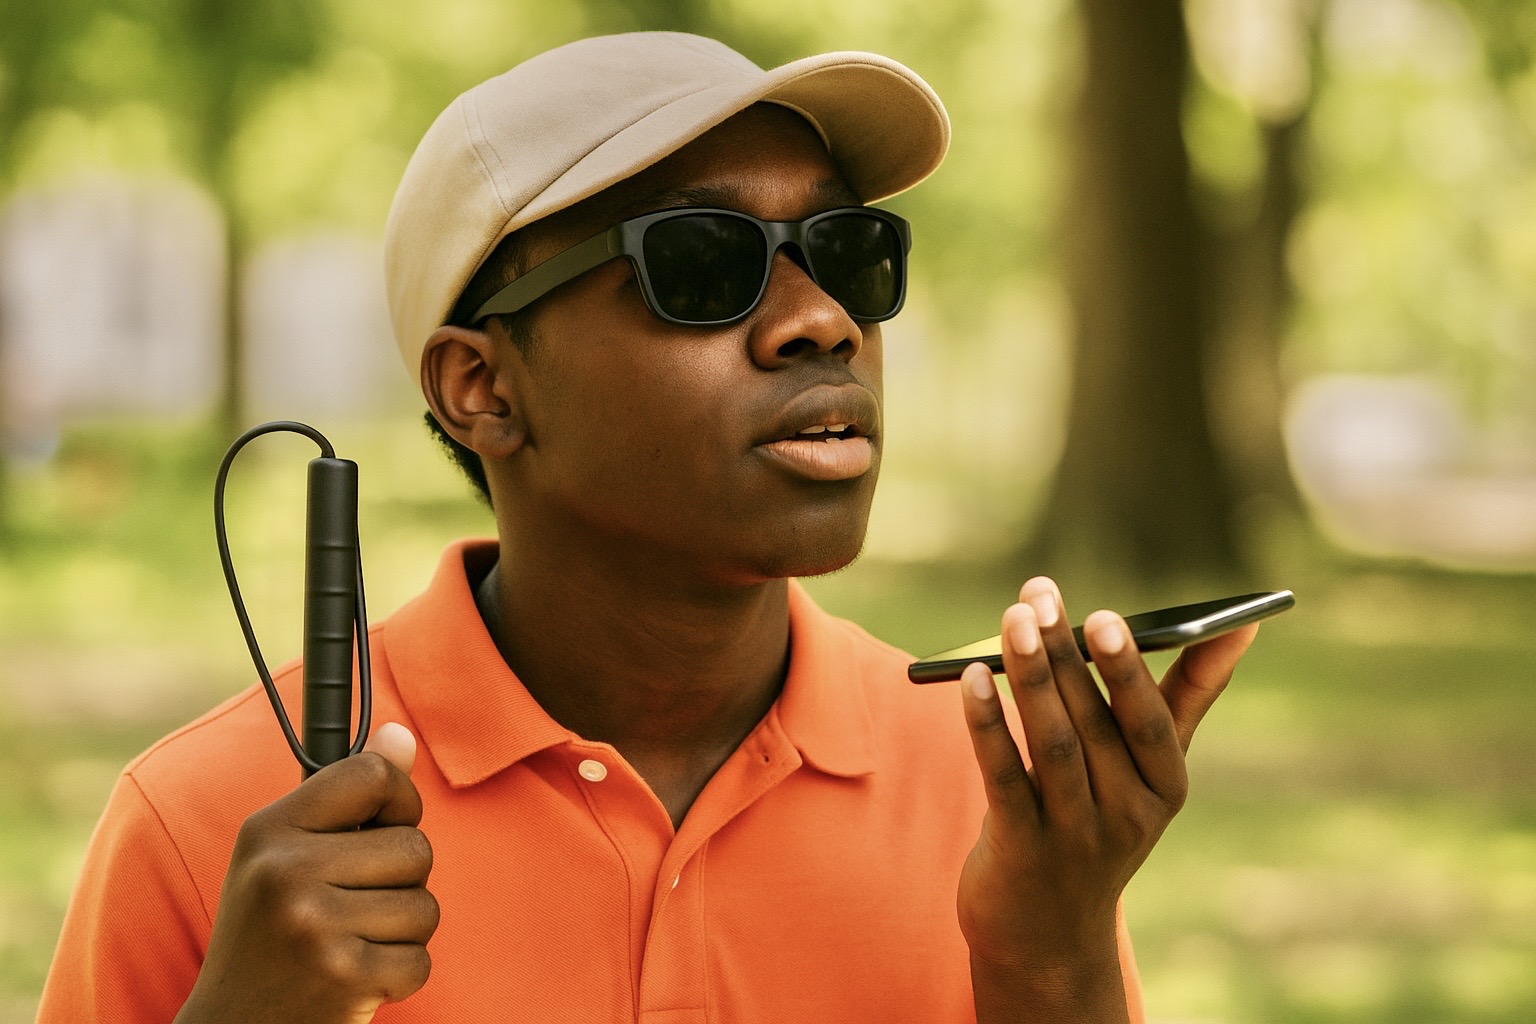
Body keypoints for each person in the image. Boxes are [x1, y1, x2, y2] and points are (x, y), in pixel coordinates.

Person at [38, 32, 1258, 1024]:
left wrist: (1051, 956)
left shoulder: (988, 789)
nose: (821, 320)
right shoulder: (214, 826)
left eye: (844, 251)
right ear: (484, 388)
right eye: (702, 261)